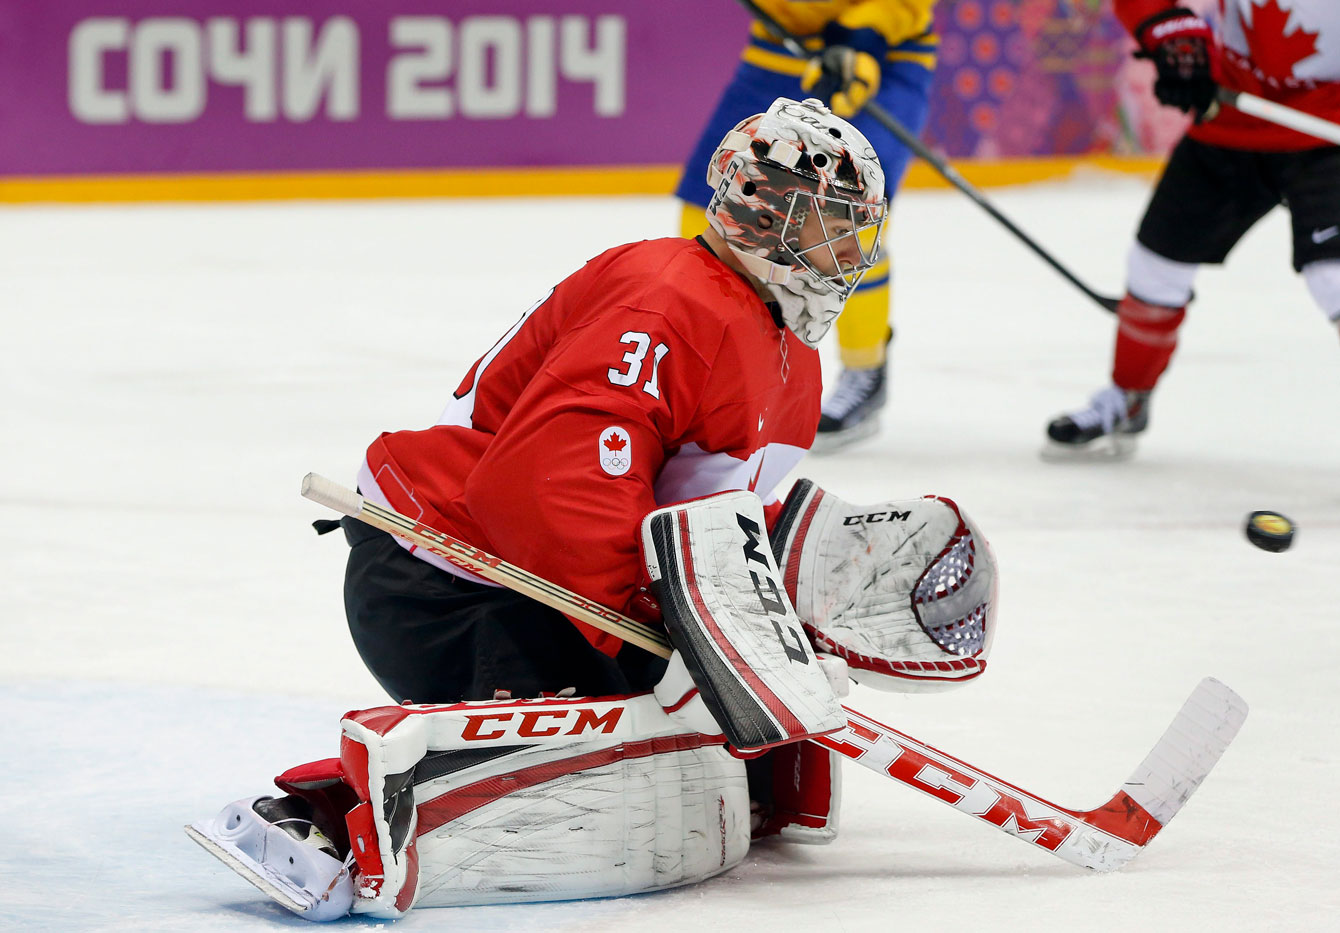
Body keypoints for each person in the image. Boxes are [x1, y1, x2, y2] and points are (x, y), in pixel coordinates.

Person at [186, 98, 998, 922]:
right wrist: (672, 633)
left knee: (689, 745)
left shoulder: (790, 356)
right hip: (454, 574)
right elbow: (542, 491)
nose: (852, 250)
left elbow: (713, 528)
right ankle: (324, 814)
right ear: (767, 213)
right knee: (610, 761)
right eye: (833, 224)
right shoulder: (668, 297)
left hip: (561, 584)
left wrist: (757, 631)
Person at [1045, 0, 1340, 458]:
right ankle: (1128, 398)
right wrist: (1166, 29)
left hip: (1329, 131)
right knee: (1155, 268)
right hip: (1231, 120)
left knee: (1334, 277)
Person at [677, 0, 939, 451]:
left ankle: (865, 367)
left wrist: (862, 38)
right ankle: (703, 366)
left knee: (849, 225)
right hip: (778, 48)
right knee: (710, 209)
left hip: (881, 53)